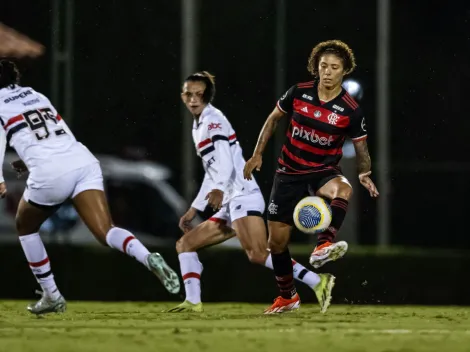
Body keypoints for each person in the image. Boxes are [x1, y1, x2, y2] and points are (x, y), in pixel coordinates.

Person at [0, 60, 180, 315]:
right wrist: (24, 162)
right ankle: (147, 257)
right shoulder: (35, 95)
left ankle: (52, 295)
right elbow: (54, 136)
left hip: (51, 173)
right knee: (106, 230)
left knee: (25, 226)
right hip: (82, 160)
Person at [167, 71, 335, 314]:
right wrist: (195, 207)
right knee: (185, 244)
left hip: (242, 195)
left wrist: (217, 189)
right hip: (230, 199)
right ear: (183, 96)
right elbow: (213, 171)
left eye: (199, 94)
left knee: (257, 253)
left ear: (207, 96)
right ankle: (193, 302)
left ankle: (317, 281)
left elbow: (224, 161)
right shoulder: (199, 125)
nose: (193, 99)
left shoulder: (213, 120)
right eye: (188, 94)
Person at [243, 40, 379, 314]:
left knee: (344, 189)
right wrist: (257, 155)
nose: (328, 72)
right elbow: (272, 120)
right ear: (316, 68)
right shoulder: (298, 92)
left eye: (334, 67)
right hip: (288, 173)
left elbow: (361, 146)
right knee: (276, 243)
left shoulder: (350, 110)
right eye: (323, 66)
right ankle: (288, 297)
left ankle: (323, 244)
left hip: (322, 171)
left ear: (344, 71)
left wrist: (365, 172)